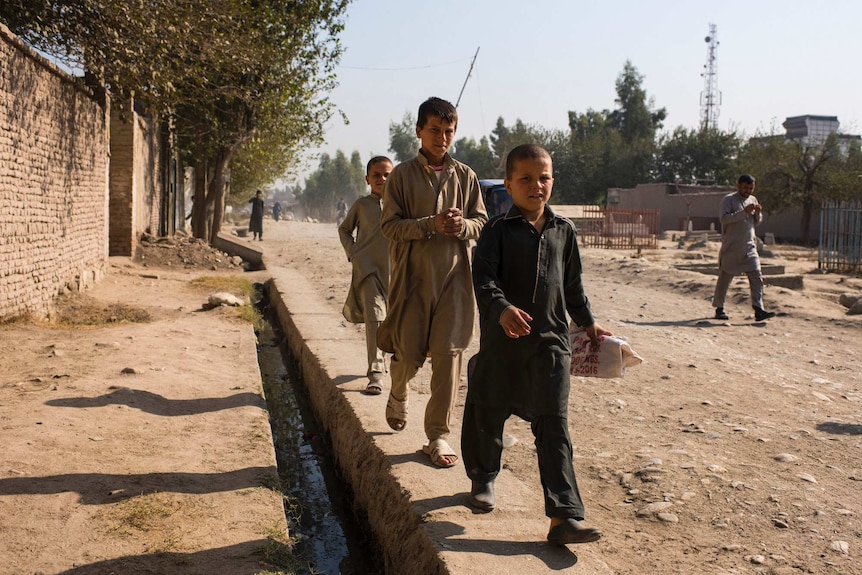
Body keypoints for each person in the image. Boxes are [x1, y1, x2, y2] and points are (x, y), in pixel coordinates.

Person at [462, 144, 608, 546]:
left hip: (551, 346)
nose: (536, 186)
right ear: (508, 184)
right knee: (487, 412)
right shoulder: (494, 231)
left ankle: (564, 518)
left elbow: (573, 286)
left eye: (543, 178)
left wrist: (589, 324)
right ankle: (482, 477)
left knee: (555, 426)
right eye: (525, 178)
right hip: (501, 344)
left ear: (552, 181)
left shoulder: (565, 230)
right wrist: (502, 308)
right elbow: (484, 280)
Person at [377, 96, 487, 468]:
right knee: (407, 353)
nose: (442, 138)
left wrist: (463, 226)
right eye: (435, 130)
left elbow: (481, 221)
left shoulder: (466, 176)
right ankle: (398, 390)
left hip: (455, 280)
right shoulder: (402, 177)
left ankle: (437, 435)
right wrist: (430, 224)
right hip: (411, 279)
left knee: (448, 356)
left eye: (449, 131)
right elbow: (389, 227)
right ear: (419, 131)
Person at [338, 156, 394, 395]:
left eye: (387, 175)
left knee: (395, 323)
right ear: (367, 179)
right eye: (376, 175)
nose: (381, 179)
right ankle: (376, 374)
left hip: (396, 274)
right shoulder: (362, 205)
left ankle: (396, 365)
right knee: (374, 318)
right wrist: (354, 253)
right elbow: (344, 229)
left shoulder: (401, 205)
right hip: (368, 272)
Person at [712, 174, 776, 321]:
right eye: (745, 188)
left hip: (749, 247)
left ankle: (758, 309)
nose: (748, 191)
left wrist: (758, 214)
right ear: (738, 186)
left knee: (757, 277)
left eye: (751, 188)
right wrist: (744, 212)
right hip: (732, 247)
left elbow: (755, 222)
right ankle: (719, 308)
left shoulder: (753, 200)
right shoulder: (728, 200)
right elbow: (724, 219)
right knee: (725, 278)